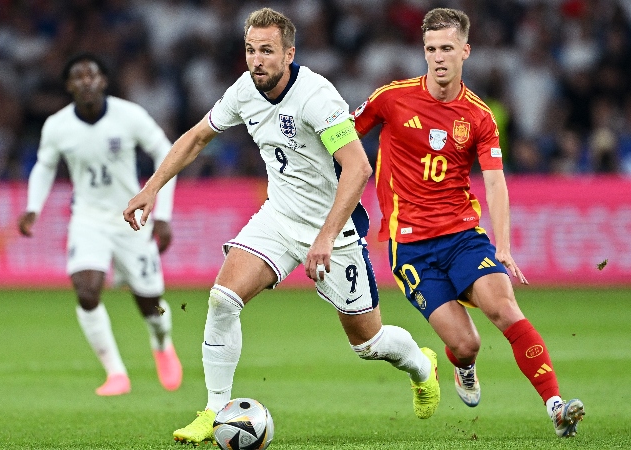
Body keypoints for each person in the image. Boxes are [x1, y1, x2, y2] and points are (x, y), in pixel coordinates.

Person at [123, 8, 440, 446]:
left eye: (267, 51)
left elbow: (357, 167)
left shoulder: (316, 98)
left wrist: (326, 238)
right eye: (251, 50)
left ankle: (423, 367)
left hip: (335, 229)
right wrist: (152, 187)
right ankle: (215, 411)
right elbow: (197, 136)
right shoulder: (244, 92)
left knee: (368, 341)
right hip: (278, 216)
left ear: (289, 53)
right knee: (222, 301)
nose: (257, 60)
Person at [352, 8, 585, 438]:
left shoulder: (479, 116)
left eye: (446, 48)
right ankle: (463, 366)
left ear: (465, 51)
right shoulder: (392, 98)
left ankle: (556, 406)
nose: (438, 57)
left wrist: (504, 246)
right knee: (466, 344)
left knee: (504, 306)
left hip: (463, 237)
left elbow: (495, 183)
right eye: (430, 49)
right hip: (411, 248)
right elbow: (344, 139)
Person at [18, 52, 182, 396]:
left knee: (150, 303)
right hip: (88, 219)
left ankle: (162, 343)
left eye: (92, 75)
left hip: (131, 218)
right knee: (87, 291)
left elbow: (165, 152)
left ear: (103, 81)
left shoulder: (129, 116)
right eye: (77, 77)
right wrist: (33, 207)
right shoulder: (58, 125)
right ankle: (116, 373)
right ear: (68, 86)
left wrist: (162, 215)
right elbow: (45, 166)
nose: (85, 81)